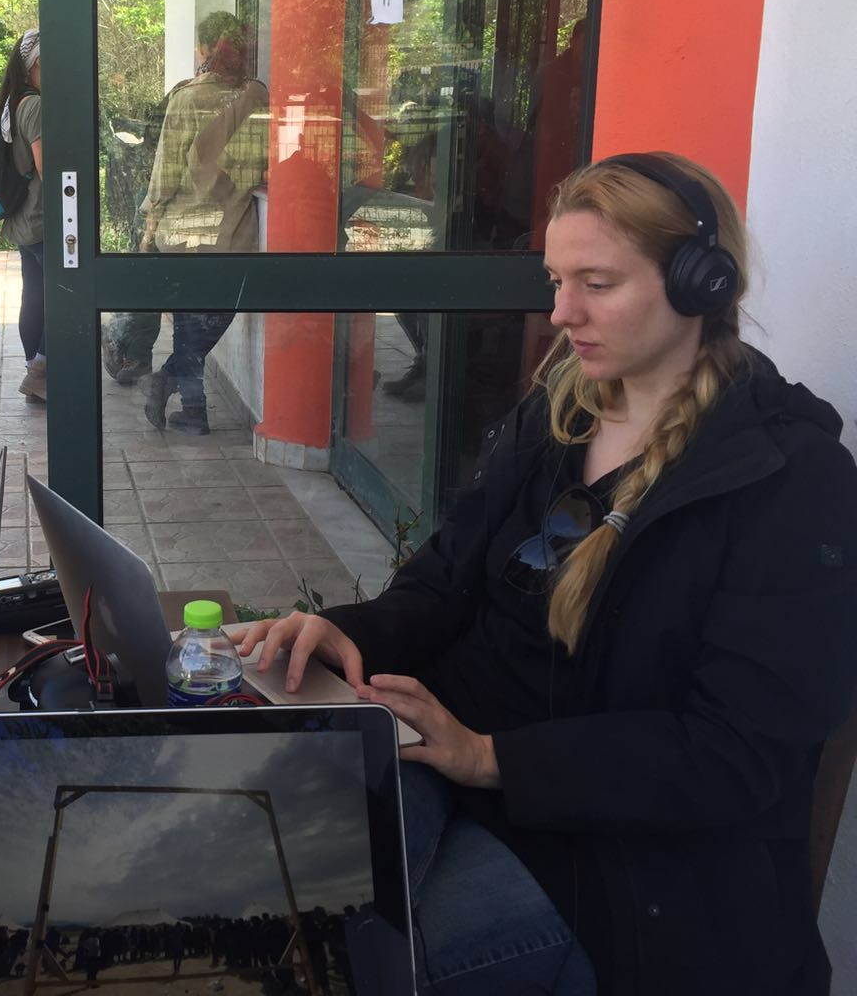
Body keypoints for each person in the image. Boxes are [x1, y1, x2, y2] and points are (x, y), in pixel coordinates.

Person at [235, 152, 857, 995]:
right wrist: (348, 631)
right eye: (557, 279)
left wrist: (493, 759)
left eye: (596, 283)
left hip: (623, 863)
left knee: (343, 970)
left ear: (701, 284)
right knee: (259, 908)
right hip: (456, 757)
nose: (562, 313)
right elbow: (447, 579)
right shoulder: (559, 411)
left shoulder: (789, 477)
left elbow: (735, 755)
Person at [139, 11, 269, 434]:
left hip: (184, 231)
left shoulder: (187, 99)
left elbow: (166, 171)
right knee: (216, 313)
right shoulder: (257, 96)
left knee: (188, 319)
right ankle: (191, 408)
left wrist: (151, 223)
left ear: (202, 49)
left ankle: (172, 381)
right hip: (230, 231)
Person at [0, 29, 46, 403]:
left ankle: (34, 369)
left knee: (34, 298)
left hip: (20, 219)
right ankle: (40, 373)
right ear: (34, 66)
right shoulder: (37, 106)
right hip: (43, 219)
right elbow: (49, 169)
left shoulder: (12, 103)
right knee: (62, 299)